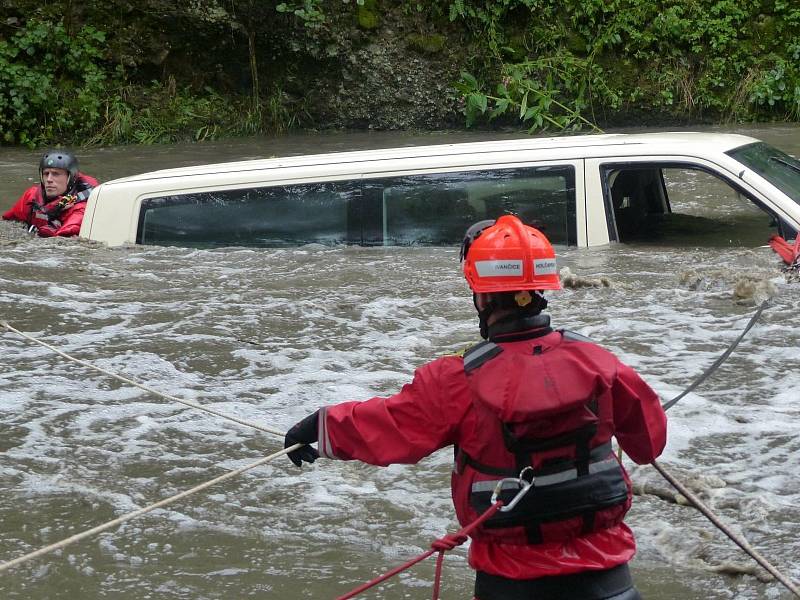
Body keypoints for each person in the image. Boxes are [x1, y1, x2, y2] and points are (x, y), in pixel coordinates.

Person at [284, 214, 667, 600]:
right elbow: (649, 445)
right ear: (543, 288)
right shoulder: (600, 363)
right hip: (612, 583)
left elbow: (389, 428)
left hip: (508, 585)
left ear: (481, 295)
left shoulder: (455, 379)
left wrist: (320, 427)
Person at [2, 148, 99, 237]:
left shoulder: (81, 210)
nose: (49, 179)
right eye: (46, 173)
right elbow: (7, 222)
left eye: (56, 174)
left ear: (71, 178)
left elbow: (63, 241)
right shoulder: (31, 197)